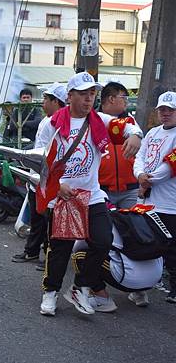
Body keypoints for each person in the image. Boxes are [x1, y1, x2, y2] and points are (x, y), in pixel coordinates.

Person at [37, 72, 142, 317]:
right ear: (70, 96)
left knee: (103, 240)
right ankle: (50, 293)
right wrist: (58, 184)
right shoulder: (51, 124)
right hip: (62, 195)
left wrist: (136, 136)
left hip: (92, 194)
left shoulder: (100, 120)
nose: (88, 99)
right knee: (60, 248)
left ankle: (81, 286)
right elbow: (39, 160)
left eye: (92, 94)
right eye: (83, 94)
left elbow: (127, 125)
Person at [12, 83, 66, 270]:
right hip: (36, 177)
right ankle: (32, 251)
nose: (42, 102)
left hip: (50, 179)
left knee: (49, 221)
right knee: (37, 218)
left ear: (55, 101)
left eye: (45, 99)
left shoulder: (61, 122)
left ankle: (51, 258)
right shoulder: (46, 120)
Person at [133, 91, 176, 303]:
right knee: (147, 243)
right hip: (147, 201)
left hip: (170, 203)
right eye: (162, 110)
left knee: (171, 247)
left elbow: (170, 166)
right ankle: (148, 281)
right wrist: (140, 175)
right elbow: (139, 156)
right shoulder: (152, 133)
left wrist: (148, 180)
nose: (166, 113)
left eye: (170, 110)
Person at [72, 226, 163, 309]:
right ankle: (139, 293)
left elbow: (77, 247)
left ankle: (102, 299)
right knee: (137, 250)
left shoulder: (103, 220)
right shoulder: (143, 215)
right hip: (155, 278)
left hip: (128, 279)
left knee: (79, 256)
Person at [98, 82, 139, 209]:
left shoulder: (130, 121)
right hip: (101, 190)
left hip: (131, 189)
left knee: (132, 226)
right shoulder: (94, 120)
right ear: (111, 99)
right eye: (123, 98)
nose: (126, 102)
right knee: (106, 227)